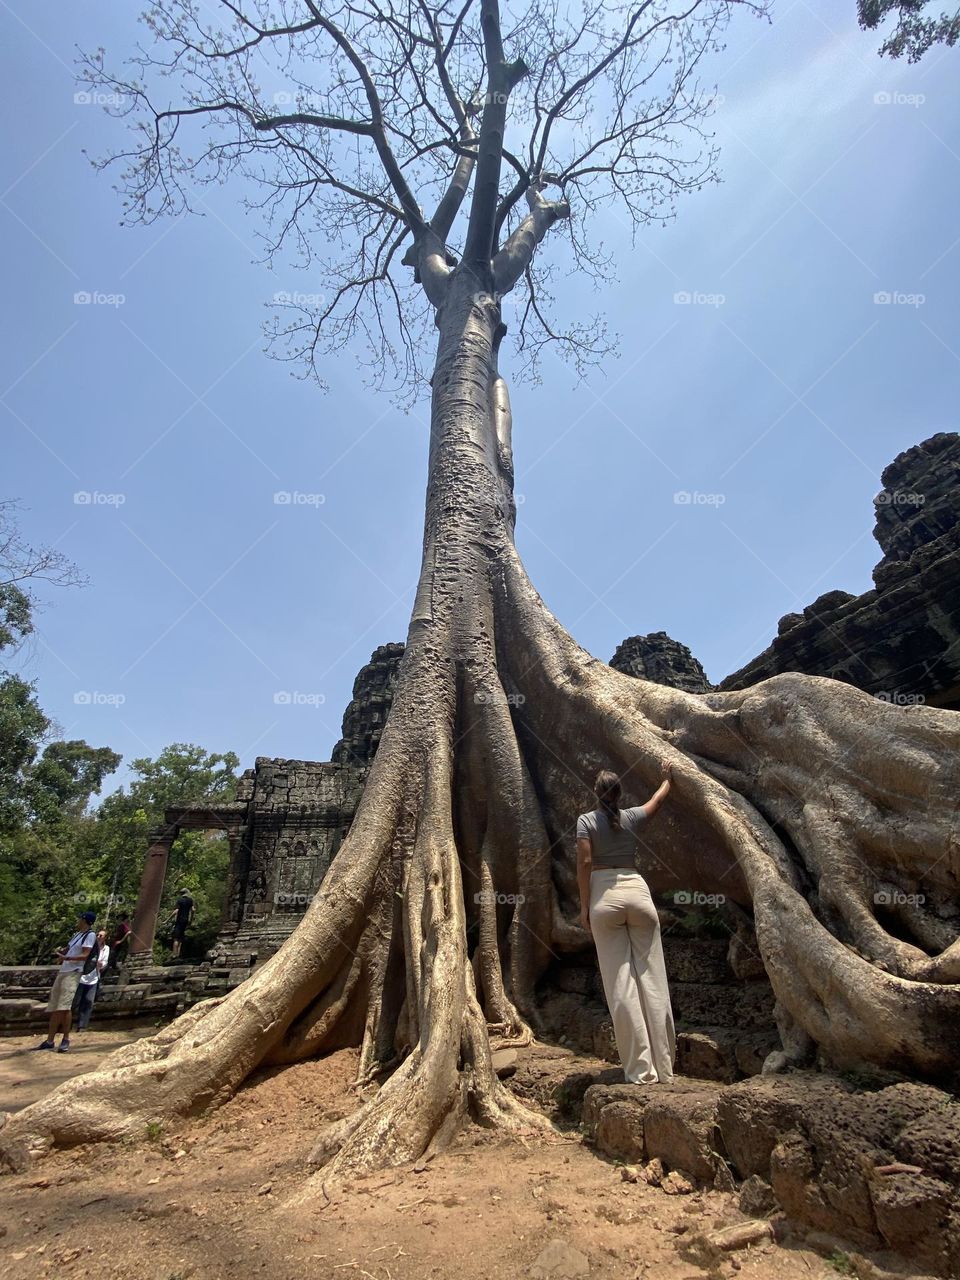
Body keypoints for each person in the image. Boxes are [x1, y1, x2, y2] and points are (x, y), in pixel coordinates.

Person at [576, 764, 676, 1085]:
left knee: (621, 984)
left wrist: (584, 906)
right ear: (619, 794)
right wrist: (667, 779)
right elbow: (657, 802)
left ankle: (640, 1071)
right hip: (638, 893)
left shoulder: (586, 822)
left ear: (596, 793)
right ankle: (665, 1068)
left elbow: (586, 862)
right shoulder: (631, 816)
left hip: (604, 898)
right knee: (653, 979)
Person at [33, 911, 97, 1052]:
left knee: (65, 1007)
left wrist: (67, 958)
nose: (77, 921)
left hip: (73, 972)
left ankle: (66, 1038)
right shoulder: (77, 935)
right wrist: (61, 953)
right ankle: (50, 1040)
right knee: (56, 1006)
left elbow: (85, 955)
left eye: (79, 918)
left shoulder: (90, 935)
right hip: (64, 971)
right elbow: (69, 949)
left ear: (84, 920)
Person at [72, 929, 110, 1032]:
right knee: (75, 1002)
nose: (98, 937)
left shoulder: (106, 949)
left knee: (88, 1002)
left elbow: (104, 962)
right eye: (97, 935)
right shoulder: (89, 946)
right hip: (81, 977)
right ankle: (68, 1024)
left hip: (94, 978)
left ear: (105, 938)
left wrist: (100, 964)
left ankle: (82, 1026)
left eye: (101, 936)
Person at [169, 887, 195, 959]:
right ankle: (178, 954)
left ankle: (174, 954)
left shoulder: (179, 900)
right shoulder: (190, 900)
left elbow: (176, 911)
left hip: (179, 920)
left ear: (181, 894)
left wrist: (167, 920)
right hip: (186, 921)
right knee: (181, 938)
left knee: (176, 938)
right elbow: (193, 910)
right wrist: (191, 920)